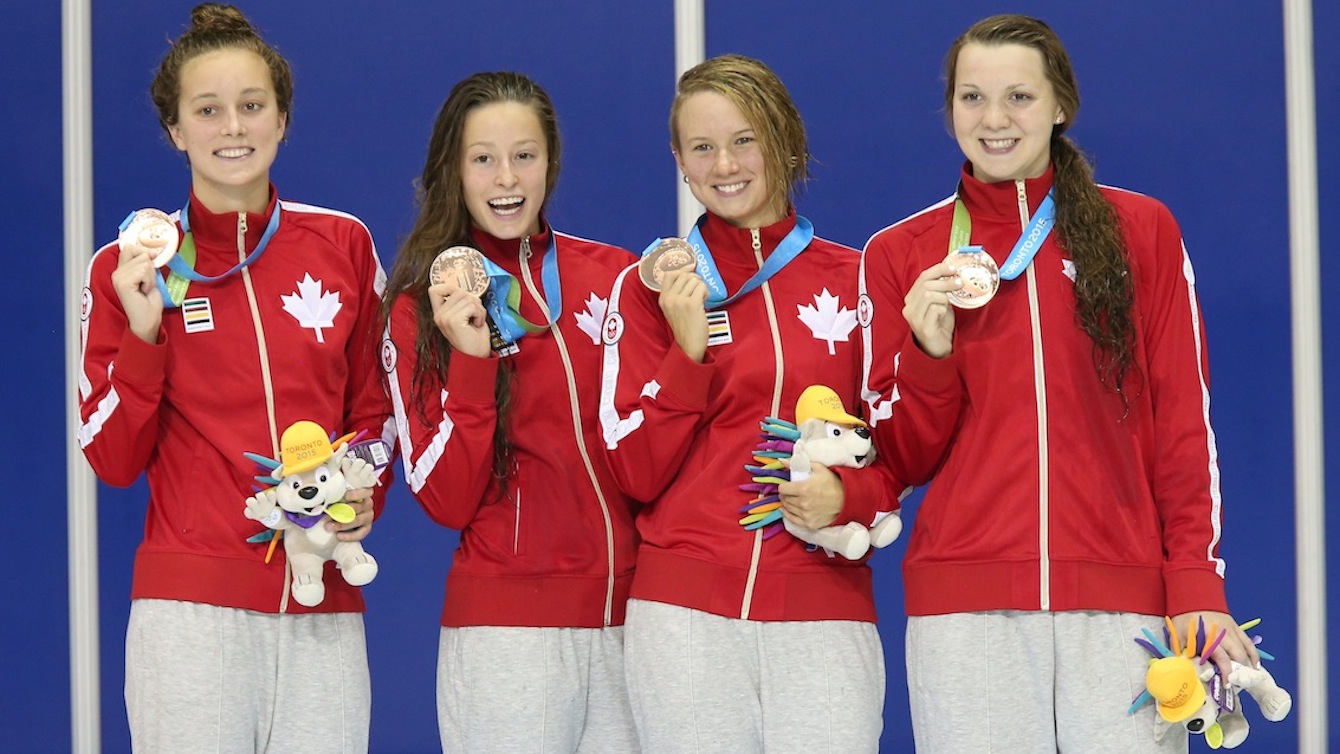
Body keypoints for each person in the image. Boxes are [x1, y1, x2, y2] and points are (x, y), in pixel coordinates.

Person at [859, 13, 1260, 752]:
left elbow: (1182, 423)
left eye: (1019, 97)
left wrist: (1196, 583)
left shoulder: (1141, 230)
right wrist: (927, 353)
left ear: (1059, 105)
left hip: (1123, 608)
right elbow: (901, 458)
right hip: (965, 611)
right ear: (950, 109)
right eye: (973, 98)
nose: (994, 120)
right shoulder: (901, 253)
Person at [597, 54, 959, 752]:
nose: (725, 165)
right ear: (679, 160)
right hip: (684, 621)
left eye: (745, 140)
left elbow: (902, 450)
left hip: (824, 611)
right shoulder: (648, 289)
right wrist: (687, 356)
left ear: (785, 142)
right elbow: (634, 472)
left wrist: (849, 498)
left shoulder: (857, 278)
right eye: (702, 147)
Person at [77, 4, 392, 751]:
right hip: (191, 617)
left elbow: (378, 412)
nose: (233, 128)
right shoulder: (129, 269)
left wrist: (360, 493)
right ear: (176, 130)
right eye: (207, 110)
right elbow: (112, 459)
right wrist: (144, 337)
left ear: (282, 118)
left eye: (252, 106)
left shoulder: (343, 244)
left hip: (323, 604)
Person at [380, 71, 641, 753]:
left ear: (550, 161)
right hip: (508, 636)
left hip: (634, 625)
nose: (506, 178)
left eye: (524, 155)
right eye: (483, 158)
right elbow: (444, 498)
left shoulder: (617, 277)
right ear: (453, 169)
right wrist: (472, 359)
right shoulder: (419, 309)